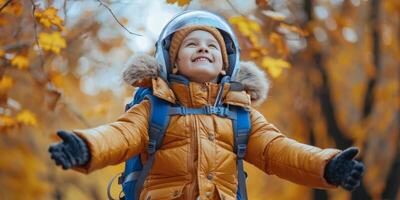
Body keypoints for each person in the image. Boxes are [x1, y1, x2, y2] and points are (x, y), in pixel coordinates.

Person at [49, 10, 364, 200]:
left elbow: (278, 151)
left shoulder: (240, 115)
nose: (203, 48)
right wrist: (85, 147)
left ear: (225, 66)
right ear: (172, 62)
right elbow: (118, 136)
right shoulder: (154, 108)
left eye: (212, 45)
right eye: (192, 44)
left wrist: (327, 165)